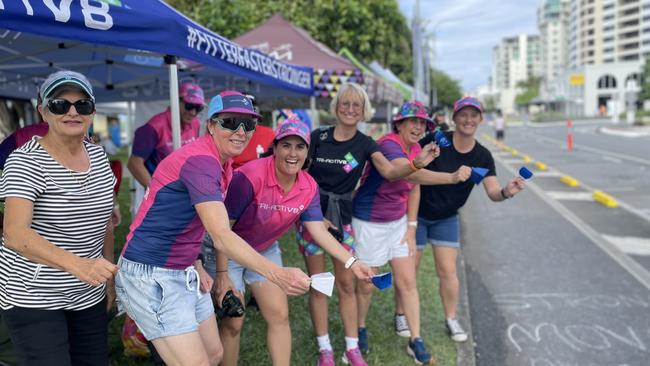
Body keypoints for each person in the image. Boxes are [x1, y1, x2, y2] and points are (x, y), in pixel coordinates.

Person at [115, 91, 311, 366]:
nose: (241, 131)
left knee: (215, 353)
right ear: (210, 124)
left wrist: (195, 261)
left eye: (248, 124)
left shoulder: (223, 164)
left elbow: (191, 221)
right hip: (151, 271)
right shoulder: (202, 162)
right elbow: (220, 235)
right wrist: (277, 275)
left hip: (183, 268)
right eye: (230, 122)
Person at [199, 116, 374, 366]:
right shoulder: (249, 176)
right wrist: (223, 273)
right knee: (233, 321)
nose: (293, 153)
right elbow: (223, 231)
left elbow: (318, 230)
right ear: (276, 148)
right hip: (230, 249)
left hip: (264, 248)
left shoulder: (308, 185)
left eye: (300, 146)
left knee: (279, 314)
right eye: (286, 145)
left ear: (307, 151)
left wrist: (352, 262)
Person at [296, 84, 440, 366]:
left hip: (344, 222)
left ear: (364, 112)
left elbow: (389, 171)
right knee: (320, 285)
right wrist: (309, 213)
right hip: (313, 219)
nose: (350, 109)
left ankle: (352, 347)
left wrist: (416, 164)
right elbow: (300, 175)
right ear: (336, 106)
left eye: (356, 105)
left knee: (347, 285)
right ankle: (324, 349)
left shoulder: (366, 143)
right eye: (345, 103)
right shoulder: (318, 137)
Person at [0, 70, 118, 365]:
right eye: (60, 105)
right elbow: (15, 234)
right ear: (43, 111)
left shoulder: (100, 158)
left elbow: (105, 223)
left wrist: (108, 282)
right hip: (33, 295)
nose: (72, 112)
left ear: (92, 111)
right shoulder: (25, 161)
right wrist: (79, 265)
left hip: (86, 292)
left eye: (82, 105)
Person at [351, 99, 476, 365]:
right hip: (370, 222)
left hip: (397, 222)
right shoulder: (388, 143)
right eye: (413, 121)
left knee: (408, 282)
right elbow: (406, 176)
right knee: (367, 284)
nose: (418, 127)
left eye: (423, 123)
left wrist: (410, 227)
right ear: (400, 123)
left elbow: (414, 190)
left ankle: (415, 339)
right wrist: (451, 177)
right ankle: (360, 328)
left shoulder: (418, 147)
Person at [395, 97, 525, 343]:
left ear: (480, 119)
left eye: (473, 115)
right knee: (408, 271)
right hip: (417, 215)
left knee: (447, 271)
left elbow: (493, 192)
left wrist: (507, 191)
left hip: (447, 218)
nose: (468, 120)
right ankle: (400, 313)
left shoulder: (482, 156)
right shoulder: (437, 140)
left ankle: (451, 318)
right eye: (463, 115)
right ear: (454, 118)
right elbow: (412, 166)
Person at [127, 82, 204, 189]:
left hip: (186, 186)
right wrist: (155, 191)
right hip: (164, 189)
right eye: (189, 106)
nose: (193, 113)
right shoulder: (152, 128)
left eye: (198, 108)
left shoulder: (195, 122)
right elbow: (134, 163)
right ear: (176, 102)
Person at [231, 92, 274, 169]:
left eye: (252, 108)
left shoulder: (269, 133)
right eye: (242, 108)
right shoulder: (227, 132)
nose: (247, 113)